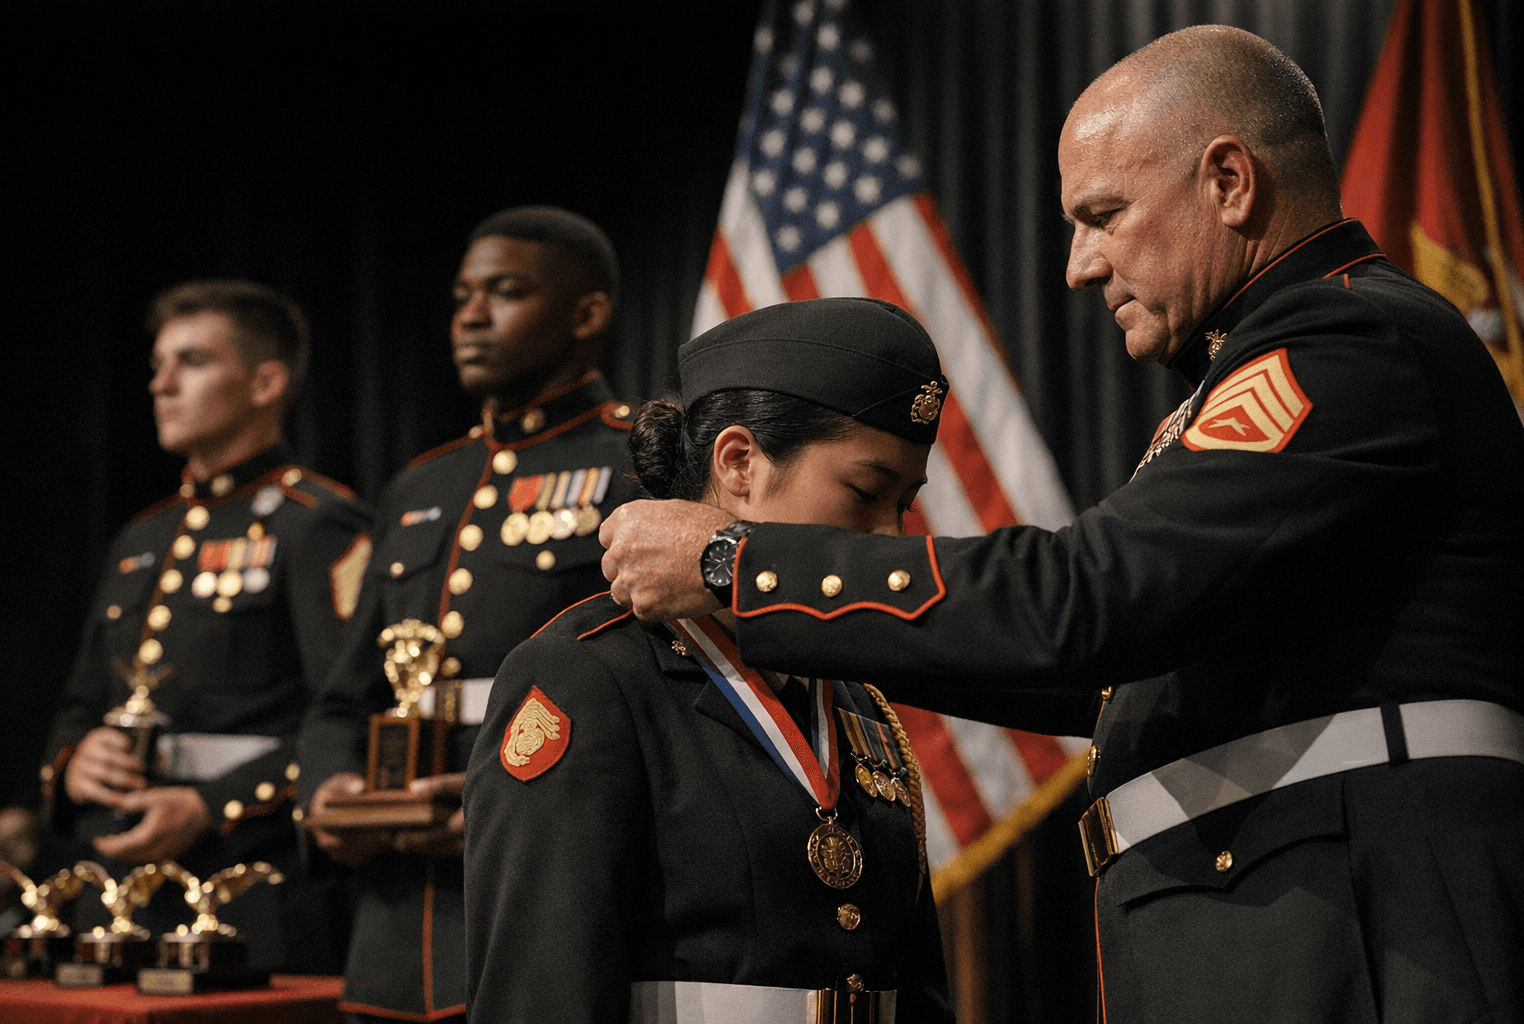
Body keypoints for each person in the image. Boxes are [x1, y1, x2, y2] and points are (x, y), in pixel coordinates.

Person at [599, 26, 1524, 1024]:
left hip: (1361, 941)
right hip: (1299, 930)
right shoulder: (1276, 366)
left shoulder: (1345, 343)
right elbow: (1114, 675)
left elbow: (1088, 601)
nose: (1080, 265)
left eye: (1103, 215)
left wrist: (740, 564)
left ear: (1228, 182)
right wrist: (794, 622)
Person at [464, 297, 954, 1024]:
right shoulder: (587, 679)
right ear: (739, 464)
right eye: (866, 493)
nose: (890, 537)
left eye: (905, 504)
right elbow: (540, 995)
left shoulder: (859, 701)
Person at [297, 206, 639, 1023]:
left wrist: (514, 800)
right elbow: (347, 696)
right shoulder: (421, 486)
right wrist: (329, 793)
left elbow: (655, 688)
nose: (471, 316)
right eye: (461, 296)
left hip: (544, 875)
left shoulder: (635, 459)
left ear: (587, 315)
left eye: (507, 292)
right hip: (392, 917)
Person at [40, 279, 374, 971]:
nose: (162, 385)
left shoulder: (317, 521)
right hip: (118, 890)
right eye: (158, 365)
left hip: (251, 886)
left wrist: (212, 805)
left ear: (264, 382)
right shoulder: (142, 537)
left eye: (191, 362)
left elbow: (346, 717)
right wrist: (75, 765)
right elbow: (79, 707)